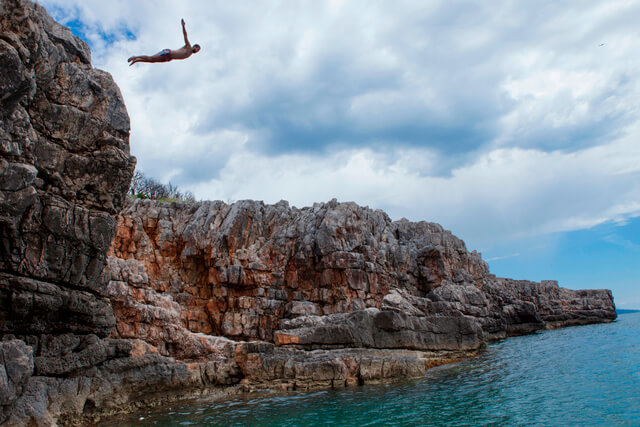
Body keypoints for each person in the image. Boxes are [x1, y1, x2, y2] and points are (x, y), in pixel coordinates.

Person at [128, 19, 201, 66]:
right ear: (194, 46)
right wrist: (183, 26)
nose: (197, 50)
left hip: (169, 58)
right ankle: (135, 57)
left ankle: (137, 60)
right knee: (151, 58)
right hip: (168, 52)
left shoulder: (189, 54)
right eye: (197, 48)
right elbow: (185, 36)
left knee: (152, 61)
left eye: (198, 50)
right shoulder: (188, 47)